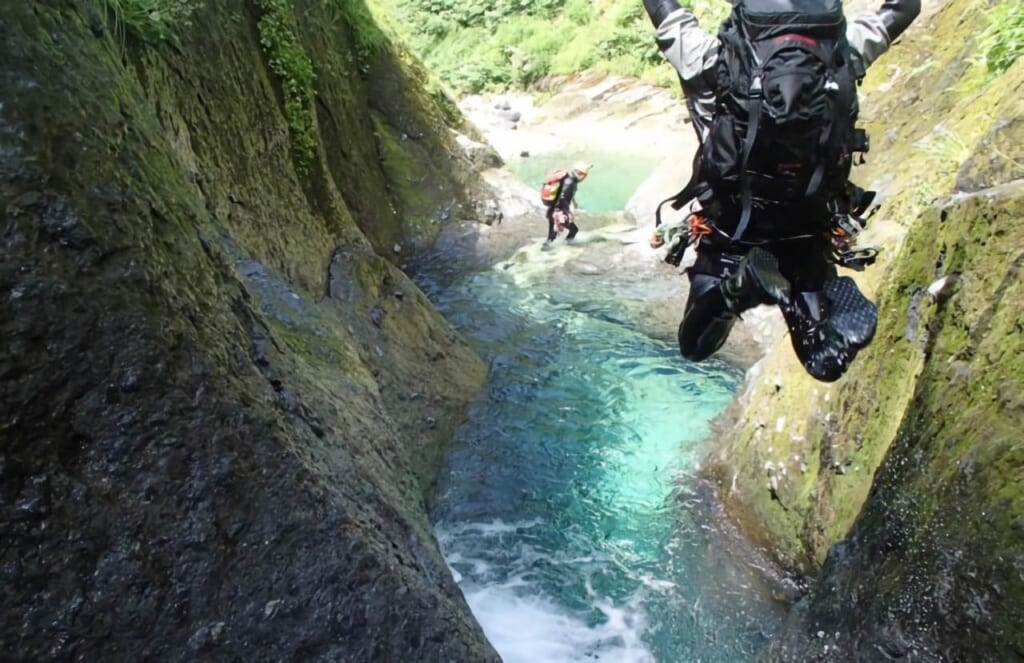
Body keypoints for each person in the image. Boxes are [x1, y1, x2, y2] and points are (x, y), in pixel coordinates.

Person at [642, 0, 920, 382]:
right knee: (825, 366)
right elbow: (904, 9)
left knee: (696, 344)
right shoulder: (845, 49)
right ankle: (816, 310)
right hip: (809, 231)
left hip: (732, 231)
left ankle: (739, 288)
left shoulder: (710, 57)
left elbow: (664, 11)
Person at [544, 162, 592, 242]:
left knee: (551, 237)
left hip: (552, 210)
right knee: (573, 230)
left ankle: (546, 250)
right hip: (557, 213)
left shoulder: (568, 179)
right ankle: (566, 246)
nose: (584, 178)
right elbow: (562, 196)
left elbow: (565, 194)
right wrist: (563, 213)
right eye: (585, 176)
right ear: (581, 174)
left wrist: (573, 202)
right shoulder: (571, 182)